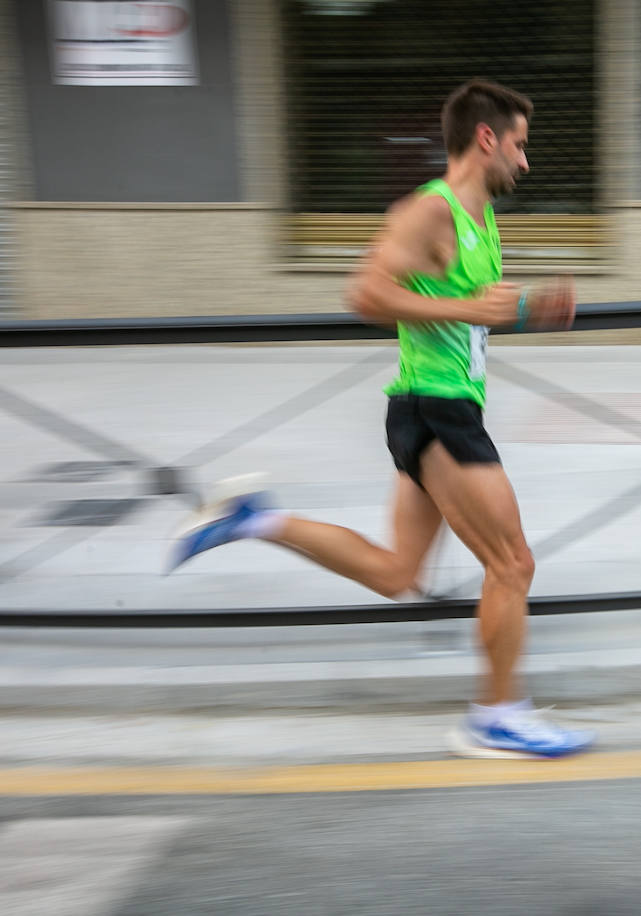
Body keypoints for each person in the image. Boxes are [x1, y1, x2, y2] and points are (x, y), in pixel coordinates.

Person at [168, 79, 593, 759]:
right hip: (438, 410)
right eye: (519, 145)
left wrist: (525, 311)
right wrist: (472, 311)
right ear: (486, 139)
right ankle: (497, 715)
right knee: (512, 564)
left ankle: (251, 518)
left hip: (430, 405)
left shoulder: (481, 220)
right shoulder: (433, 209)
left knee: (400, 575)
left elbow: (464, 312)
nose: (526, 161)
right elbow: (365, 291)